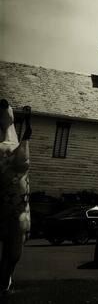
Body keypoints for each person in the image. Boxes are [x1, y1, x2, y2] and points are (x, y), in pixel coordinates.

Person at [0, 100, 31, 296]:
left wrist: (27, 125)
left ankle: (5, 277)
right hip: (8, 200)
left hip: (18, 204)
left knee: (13, 250)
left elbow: (22, 161)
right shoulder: (7, 145)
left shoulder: (15, 140)